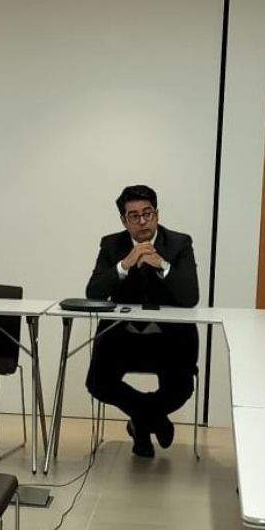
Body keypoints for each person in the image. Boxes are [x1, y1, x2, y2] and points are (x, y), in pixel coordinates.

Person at [81, 184, 200, 458]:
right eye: (134, 216)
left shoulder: (180, 244)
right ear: (124, 221)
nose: (142, 221)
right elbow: (93, 292)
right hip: (123, 338)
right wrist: (124, 265)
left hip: (169, 340)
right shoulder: (112, 244)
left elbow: (190, 296)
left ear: (157, 214)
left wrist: (163, 266)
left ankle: (140, 423)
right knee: (97, 383)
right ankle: (151, 419)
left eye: (148, 213)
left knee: (181, 389)